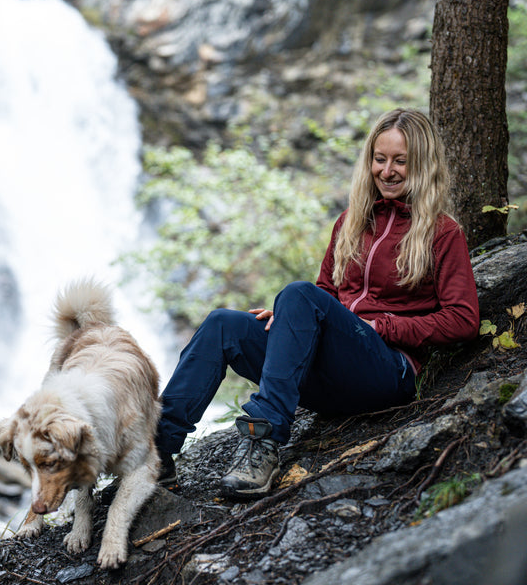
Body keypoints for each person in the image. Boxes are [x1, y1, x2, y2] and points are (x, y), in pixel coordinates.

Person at [155, 108, 480, 498]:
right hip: (332, 372)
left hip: (386, 371)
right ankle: (155, 454)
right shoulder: (351, 222)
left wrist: (385, 327)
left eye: (401, 161)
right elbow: (326, 293)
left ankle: (264, 442)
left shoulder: (443, 233)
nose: (387, 171)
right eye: (380, 159)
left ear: (423, 165)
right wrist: (293, 319)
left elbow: (463, 320)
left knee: (297, 292)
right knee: (223, 323)